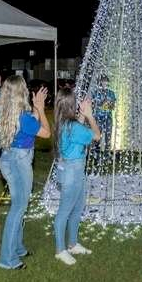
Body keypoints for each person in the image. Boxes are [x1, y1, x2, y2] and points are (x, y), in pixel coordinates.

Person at [0, 76, 51, 270]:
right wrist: (42, 109)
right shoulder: (23, 117)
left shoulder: (5, 112)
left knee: (19, 205)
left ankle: (17, 248)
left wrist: (36, 106)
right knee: (18, 208)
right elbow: (45, 132)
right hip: (19, 161)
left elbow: (31, 123)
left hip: (8, 159)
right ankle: (7, 259)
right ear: (21, 92)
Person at [52, 90, 101, 265]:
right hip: (72, 172)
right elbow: (97, 136)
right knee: (64, 211)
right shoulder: (75, 127)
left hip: (72, 170)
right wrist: (90, 115)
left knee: (78, 207)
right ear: (72, 106)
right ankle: (60, 250)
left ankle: (72, 244)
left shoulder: (63, 122)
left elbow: (76, 130)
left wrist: (82, 115)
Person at [92, 75, 116, 151]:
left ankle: (107, 153)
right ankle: (96, 152)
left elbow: (113, 107)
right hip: (98, 117)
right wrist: (102, 104)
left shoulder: (111, 93)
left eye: (106, 81)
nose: (104, 83)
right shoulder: (95, 93)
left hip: (108, 117)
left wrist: (109, 104)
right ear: (100, 82)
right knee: (97, 137)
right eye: (103, 81)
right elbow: (94, 105)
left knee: (108, 137)